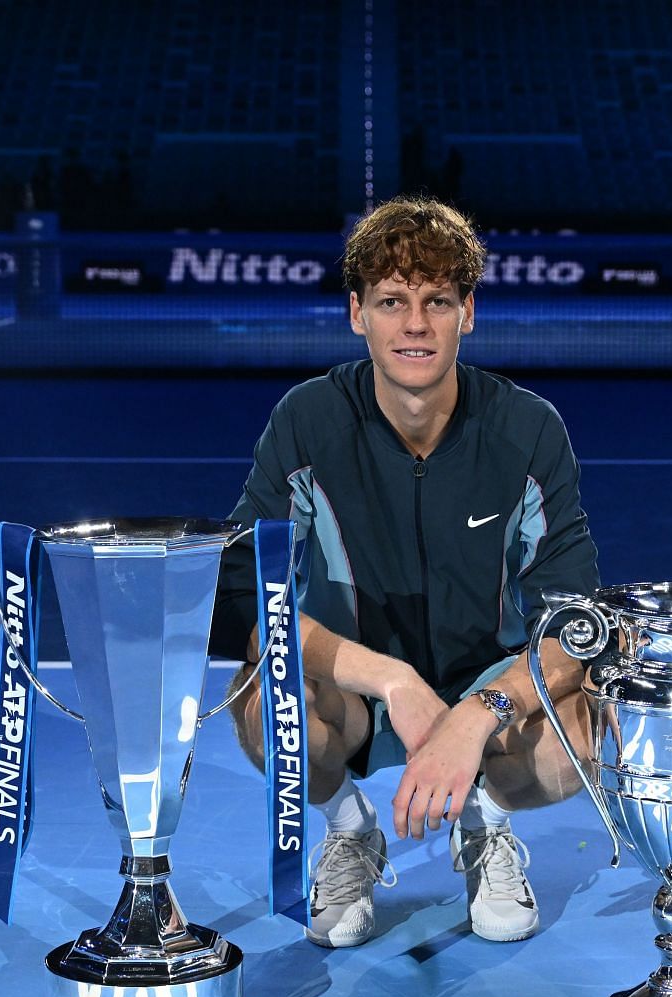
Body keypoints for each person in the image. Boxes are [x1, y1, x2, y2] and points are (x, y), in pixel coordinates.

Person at [211, 195, 600, 948]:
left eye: (437, 302)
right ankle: (351, 831)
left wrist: (476, 712)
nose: (415, 324)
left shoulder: (528, 432)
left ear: (468, 313)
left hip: (483, 692)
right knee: (272, 707)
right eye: (392, 302)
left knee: (573, 735)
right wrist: (390, 679)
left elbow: (573, 626)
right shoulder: (307, 422)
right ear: (357, 314)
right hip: (352, 694)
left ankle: (486, 826)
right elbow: (244, 604)